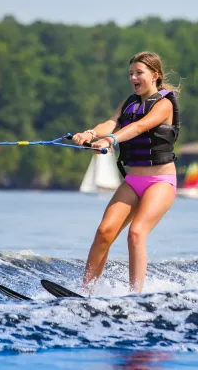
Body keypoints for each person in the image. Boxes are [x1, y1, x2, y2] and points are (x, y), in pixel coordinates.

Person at [73, 51, 181, 294]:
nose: (133, 77)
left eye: (139, 73)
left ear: (155, 75)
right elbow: (111, 123)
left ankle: (136, 296)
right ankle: (85, 292)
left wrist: (110, 141)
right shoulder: (129, 103)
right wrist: (91, 134)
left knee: (136, 233)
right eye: (130, 73)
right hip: (133, 181)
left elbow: (140, 126)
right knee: (104, 232)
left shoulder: (164, 104)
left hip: (160, 181)